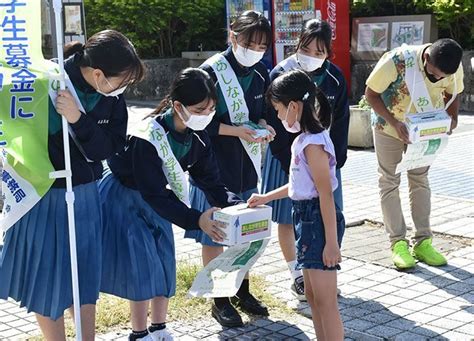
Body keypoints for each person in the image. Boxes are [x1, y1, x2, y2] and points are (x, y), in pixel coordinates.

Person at [0, 30, 144, 340]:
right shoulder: (44, 79)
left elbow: (108, 148)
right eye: (122, 80)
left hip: (86, 193)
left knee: (84, 277)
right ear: (97, 73)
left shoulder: (111, 97)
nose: (123, 89)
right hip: (42, 194)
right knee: (48, 279)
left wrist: (78, 118)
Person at [99, 68, 241, 341]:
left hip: (161, 200)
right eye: (200, 108)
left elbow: (211, 181)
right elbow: (152, 193)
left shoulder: (198, 136)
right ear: (177, 106)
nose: (207, 114)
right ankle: (138, 333)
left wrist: (239, 205)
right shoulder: (148, 136)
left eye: (211, 108)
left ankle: (159, 327)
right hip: (127, 196)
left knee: (163, 260)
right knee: (141, 265)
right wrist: (196, 219)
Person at [184, 10, 274, 327]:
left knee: (247, 232)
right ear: (232, 36)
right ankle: (218, 300)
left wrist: (264, 127)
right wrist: (239, 131)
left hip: (246, 167)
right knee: (216, 236)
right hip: (212, 167)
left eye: (262, 44)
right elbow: (198, 123)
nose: (256, 49)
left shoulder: (262, 72)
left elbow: (262, 113)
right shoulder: (210, 73)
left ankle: (241, 291)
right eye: (250, 42)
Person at [248, 69, 345, 341]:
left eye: (278, 110)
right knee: (313, 297)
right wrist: (266, 197)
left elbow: (325, 195)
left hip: (318, 222)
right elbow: (298, 186)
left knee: (326, 301)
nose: (278, 117)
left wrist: (332, 243)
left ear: (293, 106)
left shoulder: (313, 144)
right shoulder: (302, 140)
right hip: (307, 219)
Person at [262, 19, 349, 299]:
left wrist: (336, 159)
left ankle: (324, 265)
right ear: (298, 45)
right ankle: (297, 274)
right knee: (287, 219)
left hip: (320, 158)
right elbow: (273, 117)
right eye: (306, 48)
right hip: (285, 156)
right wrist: (288, 160)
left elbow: (342, 121)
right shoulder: (281, 72)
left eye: (319, 51)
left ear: (328, 53)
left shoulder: (335, 78)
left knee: (328, 212)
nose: (311, 56)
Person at [365, 38, 464, 270]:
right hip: (389, 128)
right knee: (389, 181)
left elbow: (455, 93)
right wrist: (394, 123)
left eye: (442, 77)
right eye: (435, 74)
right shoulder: (397, 61)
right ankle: (398, 243)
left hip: (423, 131)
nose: (439, 79)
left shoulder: (451, 66)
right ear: (426, 58)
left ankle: (423, 241)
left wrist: (453, 118)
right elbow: (370, 94)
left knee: (420, 179)